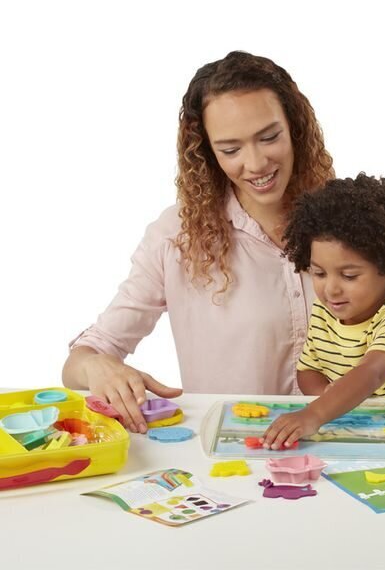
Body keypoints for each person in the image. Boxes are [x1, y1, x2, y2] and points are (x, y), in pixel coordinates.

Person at [62, 51, 334, 433]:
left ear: (295, 128)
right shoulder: (177, 236)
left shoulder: (347, 219)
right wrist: (96, 366)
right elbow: (85, 357)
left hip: (354, 444)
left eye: (269, 137)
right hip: (235, 452)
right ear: (206, 150)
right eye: (231, 149)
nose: (256, 163)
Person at [260, 173, 385, 450]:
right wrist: (328, 396)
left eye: (349, 276)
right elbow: (308, 370)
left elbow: (372, 373)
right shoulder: (326, 310)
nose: (331, 289)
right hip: (361, 428)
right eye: (319, 273)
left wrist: (315, 414)